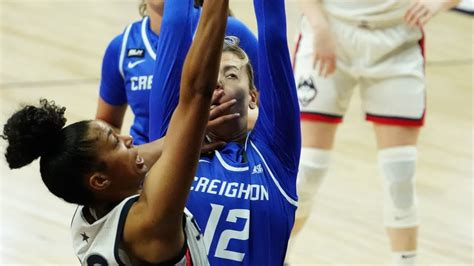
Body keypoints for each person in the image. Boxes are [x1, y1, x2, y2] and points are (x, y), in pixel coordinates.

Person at [1, 0, 229, 264]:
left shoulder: (90, 209)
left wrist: (183, 140)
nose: (128, 138)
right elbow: (197, 92)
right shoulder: (149, 220)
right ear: (99, 180)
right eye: (116, 142)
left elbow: (155, 148)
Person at [292, 0, 460, 265]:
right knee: (307, 169)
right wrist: (318, 24)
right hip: (328, 32)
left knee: (400, 174)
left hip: (398, 38)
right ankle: (277, 254)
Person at [148, 0, 300, 264]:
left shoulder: (275, 155)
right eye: (209, 77)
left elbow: (273, 36)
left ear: (253, 97)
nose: (216, 83)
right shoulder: (171, 149)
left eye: (230, 75)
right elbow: (175, 24)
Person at [96, 0, 258, 145]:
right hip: (147, 159)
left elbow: (268, 107)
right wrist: (124, 154)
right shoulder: (122, 46)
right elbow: (107, 122)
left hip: (215, 159)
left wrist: (227, 123)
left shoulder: (230, 29)